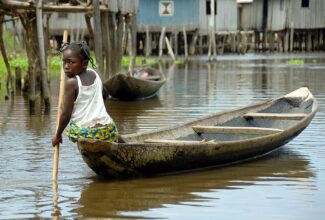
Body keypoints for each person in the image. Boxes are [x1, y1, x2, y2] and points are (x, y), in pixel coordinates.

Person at [52, 41, 118, 147]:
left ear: (84, 63)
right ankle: (120, 138)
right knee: (111, 129)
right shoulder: (96, 74)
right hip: (108, 129)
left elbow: (65, 115)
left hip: (87, 134)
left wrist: (58, 135)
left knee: (72, 129)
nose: (66, 66)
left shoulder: (72, 83)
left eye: (71, 62)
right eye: (64, 62)